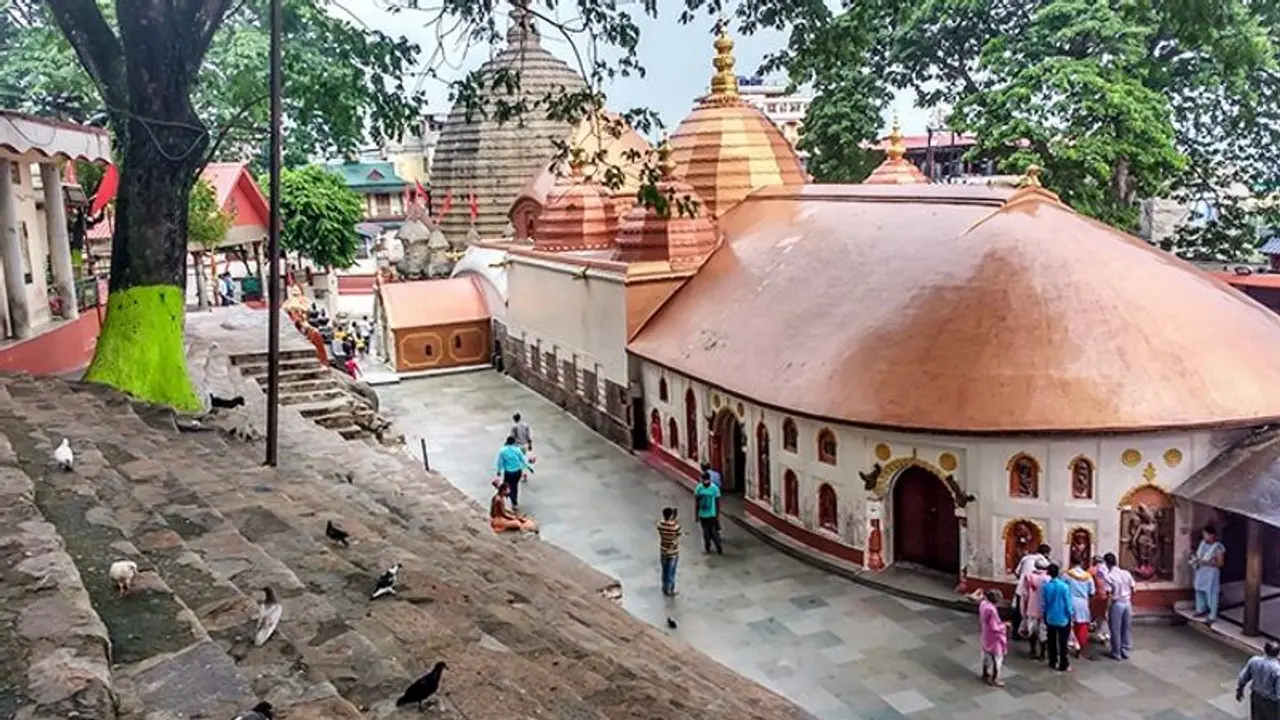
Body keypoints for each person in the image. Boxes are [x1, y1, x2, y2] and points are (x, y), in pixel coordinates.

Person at [1015, 558, 1051, 659]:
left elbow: (1024, 594)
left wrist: (1023, 609)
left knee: (1032, 630)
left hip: (1031, 608)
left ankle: (1033, 649)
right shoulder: (1048, 579)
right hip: (1045, 609)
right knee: (1044, 631)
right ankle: (1043, 652)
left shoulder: (1028, 577)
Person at [1040, 563, 1073, 672]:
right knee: (1063, 642)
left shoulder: (1046, 586)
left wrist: (1044, 613)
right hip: (1063, 617)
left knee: (1051, 640)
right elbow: (1068, 604)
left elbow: (1044, 603)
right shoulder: (1064, 587)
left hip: (1050, 616)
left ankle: (1052, 661)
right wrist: (1070, 614)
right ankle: (1064, 663)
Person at [1103, 552, 1135, 660]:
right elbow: (1133, 588)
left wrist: (1106, 610)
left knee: (1115, 628)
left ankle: (1116, 652)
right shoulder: (1126, 573)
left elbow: (1109, 594)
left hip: (1117, 604)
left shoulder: (1109, 576)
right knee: (1126, 627)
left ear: (1107, 564)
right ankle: (1125, 649)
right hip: (1127, 602)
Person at [1192, 524, 1226, 624]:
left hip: (1211, 573)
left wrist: (1207, 563)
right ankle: (1200, 609)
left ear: (1212, 535)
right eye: (1203, 534)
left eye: (1206, 534)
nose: (1204, 536)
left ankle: (1212, 615)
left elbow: (1221, 563)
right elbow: (1199, 555)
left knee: (1211, 592)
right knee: (1199, 590)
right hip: (1201, 571)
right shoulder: (1202, 543)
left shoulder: (1218, 547)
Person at [1237, 641, 1280, 720]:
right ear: (1278, 653)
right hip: (1271, 702)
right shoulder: (1277, 669)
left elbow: (1243, 677)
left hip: (1256, 697)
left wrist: (1240, 690)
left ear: (1264, 649)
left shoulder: (1254, 661)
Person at [1063, 560, 1095, 658]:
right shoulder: (1088, 576)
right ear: (1081, 564)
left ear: (1072, 563)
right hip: (1083, 603)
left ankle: (1071, 644)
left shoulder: (1067, 575)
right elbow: (1092, 592)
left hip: (1070, 601)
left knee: (1069, 625)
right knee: (1082, 625)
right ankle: (1080, 646)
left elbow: (1063, 588)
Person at [978, 589, 1010, 687]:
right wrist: (1005, 625)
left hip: (985, 633)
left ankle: (985, 673)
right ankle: (995, 679)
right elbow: (995, 627)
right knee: (997, 658)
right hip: (994, 637)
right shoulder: (992, 610)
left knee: (986, 655)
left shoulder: (983, 604)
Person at [495, 436, 534, 511]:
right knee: (515, 487)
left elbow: (500, 462)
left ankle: (514, 501)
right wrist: (529, 467)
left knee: (506, 487)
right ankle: (514, 502)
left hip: (508, 472)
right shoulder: (517, 450)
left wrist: (499, 471)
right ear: (513, 442)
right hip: (517, 471)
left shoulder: (503, 451)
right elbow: (523, 459)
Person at [694, 472, 723, 555]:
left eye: (705, 480)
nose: (704, 482)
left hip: (712, 514)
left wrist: (717, 515)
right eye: (703, 480)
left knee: (713, 532)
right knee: (706, 532)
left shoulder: (714, 489)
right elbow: (696, 502)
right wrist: (696, 515)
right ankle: (708, 546)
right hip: (703, 515)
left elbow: (717, 503)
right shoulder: (699, 488)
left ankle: (718, 546)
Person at [657, 507, 681, 596]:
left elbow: (664, 525)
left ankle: (664, 586)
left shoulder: (660, 525)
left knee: (665, 570)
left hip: (663, 551)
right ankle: (670, 589)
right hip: (673, 552)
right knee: (671, 571)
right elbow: (678, 533)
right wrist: (675, 518)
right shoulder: (675, 527)